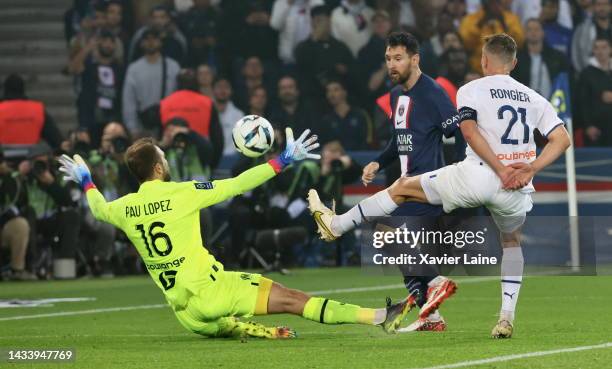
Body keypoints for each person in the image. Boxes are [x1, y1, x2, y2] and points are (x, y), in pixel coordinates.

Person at [308, 33, 572, 338]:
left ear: (484, 61)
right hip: (518, 187)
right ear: (514, 63)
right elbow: (561, 139)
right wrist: (531, 167)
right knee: (511, 242)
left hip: (479, 176)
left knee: (401, 190)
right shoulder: (533, 96)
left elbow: (469, 133)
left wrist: (499, 169)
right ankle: (504, 317)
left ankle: (338, 225)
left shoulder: (470, 89)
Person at [58, 130, 412, 338]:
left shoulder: (124, 207)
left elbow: (97, 208)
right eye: (163, 158)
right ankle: (379, 317)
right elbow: (238, 183)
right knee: (292, 299)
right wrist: (282, 161)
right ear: (157, 167)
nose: (166, 161)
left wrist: (86, 179)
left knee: (246, 319)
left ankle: (254, 331)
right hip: (214, 291)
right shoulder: (183, 192)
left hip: (186, 316)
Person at [122, 29, 180, 136]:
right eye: (147, 39)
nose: (151, 42)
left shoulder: (173, 67)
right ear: (141, 43)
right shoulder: (134, 69)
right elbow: (129, 100)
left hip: (168, 126)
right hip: (142, 127)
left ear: (160, 42)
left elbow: (178, 98)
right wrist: (132, 128)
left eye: (154, 39)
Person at [0, 74, 63, 149]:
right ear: (23, 90)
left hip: (4, 157)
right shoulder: (37, 110)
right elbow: (55, 139)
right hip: (32, 157)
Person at [511, 18, 568, 100]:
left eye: (537, 29)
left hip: (552, 104)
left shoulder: (558, 57)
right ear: (525, 33)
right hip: (526, 105)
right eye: (529, 29)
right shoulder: (516, 59)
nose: (533, 32)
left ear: (543, 33)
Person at [577, 38, 612, 146]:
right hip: (596, 129)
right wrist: (588, 126)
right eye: (596, 48)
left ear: (610, 49)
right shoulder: (586, 73)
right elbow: (582, 102)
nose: (600, 51)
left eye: (604, 47)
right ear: (593, 51)